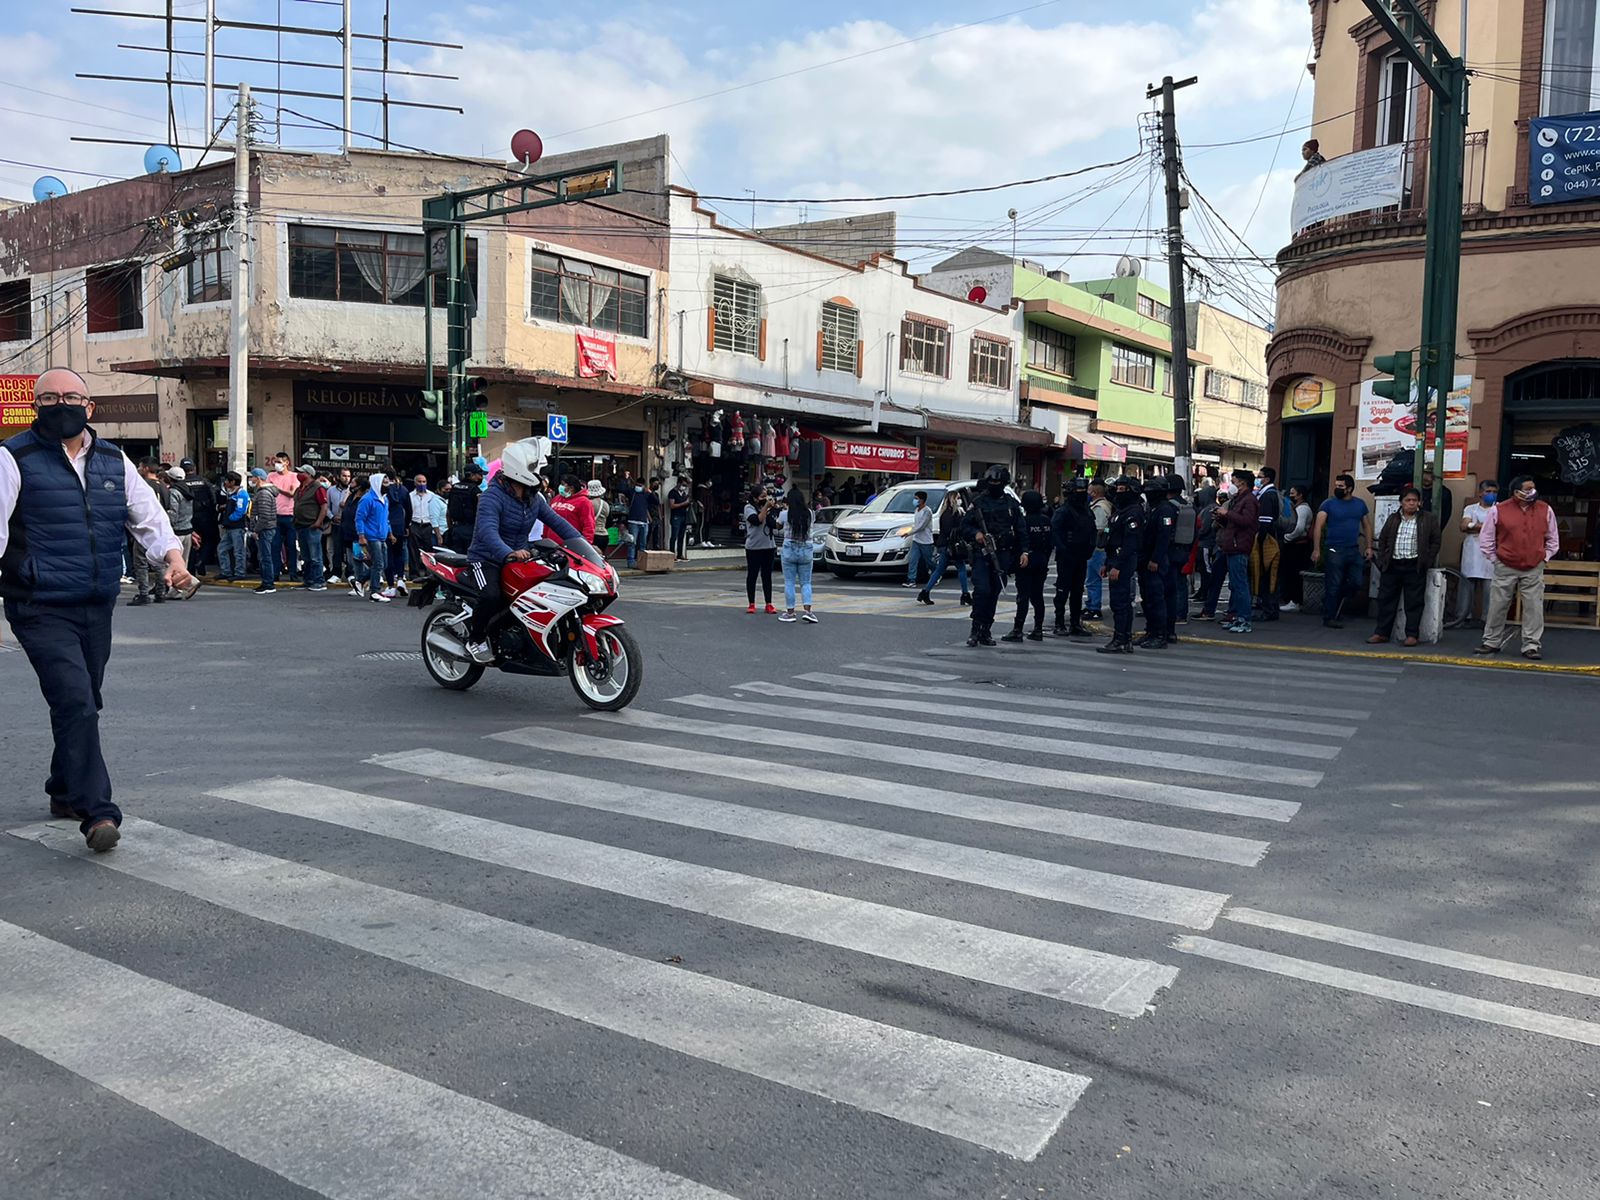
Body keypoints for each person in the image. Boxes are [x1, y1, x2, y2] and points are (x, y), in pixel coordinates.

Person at [0, 368, 192, 852]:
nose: (59, 404)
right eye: (49, 397)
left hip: (96, 601)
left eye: (70, 396)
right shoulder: (12, 457)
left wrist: (173, 560)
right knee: (75, 699)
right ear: (35, 405)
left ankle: (64, 791)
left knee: (86, 700)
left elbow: (148, 519)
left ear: (90, 407)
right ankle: (97, 811)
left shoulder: (113, 459)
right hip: (38, 604)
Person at [463, 438, 580, 661]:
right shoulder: (492, 496)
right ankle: (475, 640)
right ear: (521, 470)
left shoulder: (533, 499)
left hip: (519, 559)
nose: (540, 475)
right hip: (486, 558)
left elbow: (558, 523)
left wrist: (583, 544)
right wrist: (508, 552)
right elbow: (487, 532)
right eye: (536, 469)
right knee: (491, 595)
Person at [1476, 475, 1559, 660]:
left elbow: (1553, 538)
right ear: (1516, 492)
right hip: (1505, 564)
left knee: (1534, 607)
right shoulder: (1498, 510)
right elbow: (1487, 537)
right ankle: (1491, 641)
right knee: (1498, 605)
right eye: (1528, 489)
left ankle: (1531, 645)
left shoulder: (1545, 510)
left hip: (1533, 565)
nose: (1532, 492)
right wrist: (1494, 558)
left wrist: (1544, 557)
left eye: (1533, 488)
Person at [961, 465, 1028, 648]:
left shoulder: (1011, 504)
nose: (994, 485)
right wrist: (976, 534)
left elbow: (1021, 530)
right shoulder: (978, 502)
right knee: (982, 591)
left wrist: (1024, 551)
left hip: (1003, 554)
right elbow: (964, 526)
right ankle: (975, 630)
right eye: (991, 482)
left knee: (994, 593)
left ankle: (986, 631)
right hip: (982, 554)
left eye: (997, 482)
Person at [1369, 485, 1441, 646]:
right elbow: (1383, 540)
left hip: (1414, 566)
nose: (1411, 503)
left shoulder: (1428, 519)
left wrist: (1427, 561)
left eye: (1414, 500)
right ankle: (1381, 633)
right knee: (1386, 600)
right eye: (1407, 500)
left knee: (1414, 602)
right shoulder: (1393, 518)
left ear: (1420, 503)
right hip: (1392, 565)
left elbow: (1436, 541)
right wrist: (1382, 559)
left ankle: (1412, 635)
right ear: (1401, 502)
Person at [1310, 473, 1372, 629]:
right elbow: (1318, 526)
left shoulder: (1360, 504)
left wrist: (1369, 546)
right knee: (1334, 583)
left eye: (1340, 486)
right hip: (1334, 549)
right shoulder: (1328, 504)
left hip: (1353, 549)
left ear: (1349, 489)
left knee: (1356, 582)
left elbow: (1367, 526)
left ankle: (1331, 602)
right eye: (1336, 485)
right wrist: (1316, 549)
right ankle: (1329, 616)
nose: (1337, 488)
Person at [1095, 475, 1145, 654]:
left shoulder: (1134, 512)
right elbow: (1111, 538)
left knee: (1121, 602)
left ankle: (1122, 639)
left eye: (1123, 490)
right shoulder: (1120, 511)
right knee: (1118, 602)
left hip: (1123, 562)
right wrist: (1107, 563)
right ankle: (1121, 638)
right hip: (1114, 560)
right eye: (1118, 489)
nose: (1118, 492)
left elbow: (1130, 543)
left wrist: (1117, 565)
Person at [1002, 489, 1053, 642]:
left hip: (1026, 561)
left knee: (1023, 596)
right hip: (1042, 560)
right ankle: (1038, 629)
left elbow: (1017, 543)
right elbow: (1050, 543)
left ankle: (1018, 629)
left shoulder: (1023, 521)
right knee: (1038, 596)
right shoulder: (1046, 521)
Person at [1049, 476, 1096, 637]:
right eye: (1078, 491)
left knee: (1077, 591)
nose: (1081, 494)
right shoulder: (1063, 511)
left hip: (1081, 556)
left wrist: (1090, 547)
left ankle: (1075, 624)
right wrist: (1063, 550)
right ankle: (1059, 623)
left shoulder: (1087, 511)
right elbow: (1054, 532)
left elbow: (1092, 531)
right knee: (1062, 591)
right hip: (1066, 557)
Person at [1214, 468, 1259, 634]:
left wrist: (1228, 514)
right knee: (1236, 584)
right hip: (1233, 545)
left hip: (1239, 546)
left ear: (1242, 482)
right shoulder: (1240, 499)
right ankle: (1239, 616)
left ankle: (1244, 619)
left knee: (1240, 585)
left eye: (1234, 481)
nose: (1232, 484)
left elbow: (1247, 521)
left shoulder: (1249, 500)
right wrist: (1222, 517)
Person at [1449, 479, 1498, 628]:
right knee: (1467, 584)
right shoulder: (1471, 508)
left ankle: (1487, 619)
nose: (1491, 495)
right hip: (1472, 550)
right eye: (1488, 491)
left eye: (1494, 492)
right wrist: (1487, 527)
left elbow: (1500, 528)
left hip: (1491, 551)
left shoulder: (1499, 509)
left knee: (1490, 587)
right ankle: (1463, 617)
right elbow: (1464, 525)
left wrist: (1474, 526)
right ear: (1480, 493)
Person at [1136, 476, 1175, 649]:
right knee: (1148, 598)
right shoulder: (1152, 508)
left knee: (1156, 598)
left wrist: (1155, 559)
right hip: (1146, 558)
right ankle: (1151, 631)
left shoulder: (1165, 510)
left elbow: (1163, 537)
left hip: (1156, 560)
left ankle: (1160, 634)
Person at [919, 489, 970, 606]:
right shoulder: (954, 513)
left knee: (940, 570)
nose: (960, 500)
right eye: (958, 498)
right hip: (951, 546)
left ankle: (925, 592)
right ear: (953, 499)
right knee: (961, 568)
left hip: (945, 545)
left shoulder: (945, 513)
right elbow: (954, 530)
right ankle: (965, 594)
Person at [1162, 473, 1197, 643]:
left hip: (1170, 551)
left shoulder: (1168, 507)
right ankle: (1181, 613)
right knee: (1180, 584)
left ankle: (1173, 616)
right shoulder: (1188, 506)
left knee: (1168, 587)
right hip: (1184, 551)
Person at [777, 485, 818, 623]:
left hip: (789, 549)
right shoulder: (810, 513)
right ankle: (808, 611)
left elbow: (778, 526)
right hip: (806, 548)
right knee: (806, 582)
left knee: (789, 582)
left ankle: (790, 613)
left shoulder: (784, 514)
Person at [353, 473, 396, 602]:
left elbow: (385, 519)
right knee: (378, 563)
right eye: (385, 483)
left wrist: (390, 533)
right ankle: (374, 591)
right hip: (371, 536)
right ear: (377, 483)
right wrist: (361, 535)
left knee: (384, 564)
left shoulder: (385, 499)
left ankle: (359, 581)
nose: (388, 486)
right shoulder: (367, 499)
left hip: (382, 536)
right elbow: (359, 518)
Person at [1251, 466, 1285, 622]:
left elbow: (1265, 521)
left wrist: (1259, 540)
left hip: (1267, 540)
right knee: (1270, 574)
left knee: (1267, 575)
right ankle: (1270, 608)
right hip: (1272, 538)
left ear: (1267, 479)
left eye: (1260, 476)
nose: (1258, 478)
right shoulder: (1271, 494)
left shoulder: (1267, 496)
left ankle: (1269, 609)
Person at [289, 464, 329, 591]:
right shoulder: (300, 488)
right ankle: (308, 580)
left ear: (309, 474)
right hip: (300, 525)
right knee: (306, 556)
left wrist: (318, 522)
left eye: (302, 472)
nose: (298, 474)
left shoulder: (317, 488)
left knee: (315, 556)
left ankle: (319, 581)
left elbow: (324, 506)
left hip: (312, 526)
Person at [743, 485, 779, 614]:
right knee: (752, 575)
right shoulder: (749, 508)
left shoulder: (768, 509)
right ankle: (751, 603)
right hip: (754, 547)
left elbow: (772, 523)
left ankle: (768, 603)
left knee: (767, 576)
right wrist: (765, 507)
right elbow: (757, 520)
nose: (765, 499)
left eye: (766, 496)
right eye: (762, 497)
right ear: (755, 498)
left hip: (768, 546)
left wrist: (774, 511)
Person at [1279, 484, 1315, 611]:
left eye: (1293, 493)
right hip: (1296, 544)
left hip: (1297, 545)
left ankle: (1294, 601)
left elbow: (1299, 528)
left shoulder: (1302, 509)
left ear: (1300, 495)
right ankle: (1291, 599)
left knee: (1293, 573)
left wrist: (1287, 538)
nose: (1290, 495)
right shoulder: (1298, 507)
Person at [180, 458, 218, 576]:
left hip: (189, 517)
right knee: (209, 540)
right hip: (206, 516)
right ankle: (201, 560)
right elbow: (213, 500)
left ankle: (191, 570)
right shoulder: (204, 481)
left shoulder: (181, 484)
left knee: (191, 544)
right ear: (194, 468)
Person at [267, 452, 301, 581]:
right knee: (275, 545)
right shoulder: (271, 475)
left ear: (287, 462)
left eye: (279, 462)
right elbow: (266, 490)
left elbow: (292, 493)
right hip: (275, 515)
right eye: (275, 462)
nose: (277, 464)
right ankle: (276, 572)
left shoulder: (294, 476)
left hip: (290, 516)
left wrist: (276, 488)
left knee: (291, 546)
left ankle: (293, 573)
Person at [163, 465, 196, 592]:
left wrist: (168, 525)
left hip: (176, 532)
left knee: (172, 563)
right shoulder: (188, 490)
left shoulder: (174, 492)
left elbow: (173, 512)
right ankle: (183, 587)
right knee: (183, 562)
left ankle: (176, 590)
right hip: (187, 529)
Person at [248, 467, 281, 594]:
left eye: (252, 477)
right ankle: (266, 582)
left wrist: (256, 529)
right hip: (265, 528)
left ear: (259, 478)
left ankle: (268, 584)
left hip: (265, 529)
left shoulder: (263, 494)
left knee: (266, 557)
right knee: (264, 556)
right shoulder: (262, 492)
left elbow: (264, 515)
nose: (250, 480)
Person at [1083, 479, 1112, 620]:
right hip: (1097, 547)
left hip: (1097, 548)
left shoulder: (1100, 507)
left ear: (1094, 493)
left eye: (1089, 490)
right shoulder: (1101, 505)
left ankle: (1094, 607)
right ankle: (1091, 604)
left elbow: (1099, 528)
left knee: (1093, 578)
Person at [216, 471, 249, 581]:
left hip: (237, 527)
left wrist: (230, 519)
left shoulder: (241, 494)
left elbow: (241, 511)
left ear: (233, 482)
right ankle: (226, 571)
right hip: (230, 527)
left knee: (238, 551)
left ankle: (240, 572)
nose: (225, 483)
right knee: (222, 549)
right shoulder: (232, 494)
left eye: (227, 480)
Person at [446, 464, 484, 552]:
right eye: (479, 474)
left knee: (457, 559)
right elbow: (481, 513)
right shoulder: (475, 491)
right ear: (471, 475)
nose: (481, 477)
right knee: (471, 560)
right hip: (471, 530)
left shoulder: (454, 488)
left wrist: (451, 529)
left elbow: (448, 512)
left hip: (456, 529)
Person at [550, 473, 596, 541]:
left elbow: (588, 525)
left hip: (571, 543)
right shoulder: (556, 498)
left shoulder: (584, 502)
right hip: (551, 542)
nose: (560, 486)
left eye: (563, 484)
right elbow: (548, 520)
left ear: (571, 487)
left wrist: (586, 544)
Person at [384, 473, 411, 592]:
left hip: (386, 525)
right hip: (400, 524)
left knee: (388, 555)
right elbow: (409, 509)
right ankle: (400, 578)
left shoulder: (382, 490)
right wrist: (406, 525)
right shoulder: (403, 490)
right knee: (399, 553)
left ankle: (390, 585)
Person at [325, 468, 352, 583]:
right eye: (344, 476)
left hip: (349, 525)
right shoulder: (331, 490)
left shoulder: (353, 491)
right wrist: (332, 516)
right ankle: (336, 573)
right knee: (337, 549)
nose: (346, 479)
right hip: (336, 523)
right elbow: (326, 506)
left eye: (348, 476)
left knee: (350, 550)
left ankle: (350, 572)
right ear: (339, 477)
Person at [904, 490, 935, 588]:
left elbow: (921, 526)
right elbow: (916, 525)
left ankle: (936, 573)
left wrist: (909, 533)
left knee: (929, 560)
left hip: (926, 541)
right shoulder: (916, 510)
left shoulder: (927, 511)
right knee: (913, 560)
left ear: (922, 500)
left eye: (916, 499)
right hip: (916, 540)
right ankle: (911, 580)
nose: (914, 501)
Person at [625, 478, 650, 568]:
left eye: (640, 486)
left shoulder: (646, 494)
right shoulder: (632, 493)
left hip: (643, 521)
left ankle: (642, 562)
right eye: (637, 485)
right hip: (633, 521)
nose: (638, 487)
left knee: (642, 544)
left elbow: (656, 501)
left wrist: (649, 492)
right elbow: (622, 489)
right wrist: (627, 480)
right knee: (632, 542)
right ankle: (631, 561)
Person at [668, 476, 691, 560]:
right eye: (683, 485)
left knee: (681, 536)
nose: (684, 487)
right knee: (674, 536)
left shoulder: (684, 493)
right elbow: (672, 505)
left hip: (683, 516)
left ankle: (680, 554)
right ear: (678, 483)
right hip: (676, 516)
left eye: (685, 485)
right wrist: (683, 503)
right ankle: (672, 554)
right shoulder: (672, 493)